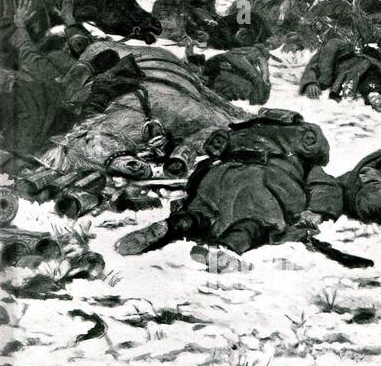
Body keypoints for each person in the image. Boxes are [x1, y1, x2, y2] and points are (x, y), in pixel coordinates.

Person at [115, 109, 341, 263]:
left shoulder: (242, 131)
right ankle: (226, 248)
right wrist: (316, 211)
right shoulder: (303, 157)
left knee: (201, 213)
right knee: (258, 220)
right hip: (263, 182)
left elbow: (210, 152)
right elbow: (325, 186)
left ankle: (173, 225)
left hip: (220, 174)